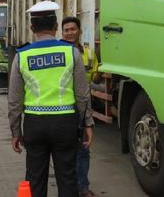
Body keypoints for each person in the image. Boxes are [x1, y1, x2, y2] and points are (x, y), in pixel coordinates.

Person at [8, 1, 94, 197]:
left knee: (35, 178)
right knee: (67, 178)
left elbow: (14, 100)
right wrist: (87, 123)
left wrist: (15, 130)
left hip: (34, 124)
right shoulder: (71, 52)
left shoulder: (22, 56)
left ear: (31, 28)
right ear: (56, 26)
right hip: (65, 124)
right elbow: (82, 94)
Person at [61, 16, 99, 197]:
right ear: (61, 32)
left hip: (83, 107)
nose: (70, 33)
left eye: (73, 29)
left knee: (83, 150)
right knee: (65, 151)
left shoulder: (89, 53)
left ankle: (82, 187)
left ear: (79, 31)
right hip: (63, 108)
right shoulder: (59, 52)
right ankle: (68, 188)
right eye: (66, 30)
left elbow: (95, 75)